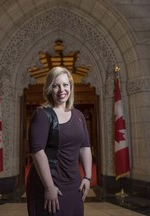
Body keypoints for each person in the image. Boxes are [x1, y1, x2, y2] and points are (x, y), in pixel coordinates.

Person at [26, 66, 92, 216]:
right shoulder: (42, 114)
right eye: (56, 86)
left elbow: (85, 146)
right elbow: (37, 152)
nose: (62, 90)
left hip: (74, 184)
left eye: (65, 85)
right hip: (50, 183)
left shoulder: (79, 116)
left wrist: (87, 177)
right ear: (50, 89)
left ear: (70, 86)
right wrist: (49, 187)